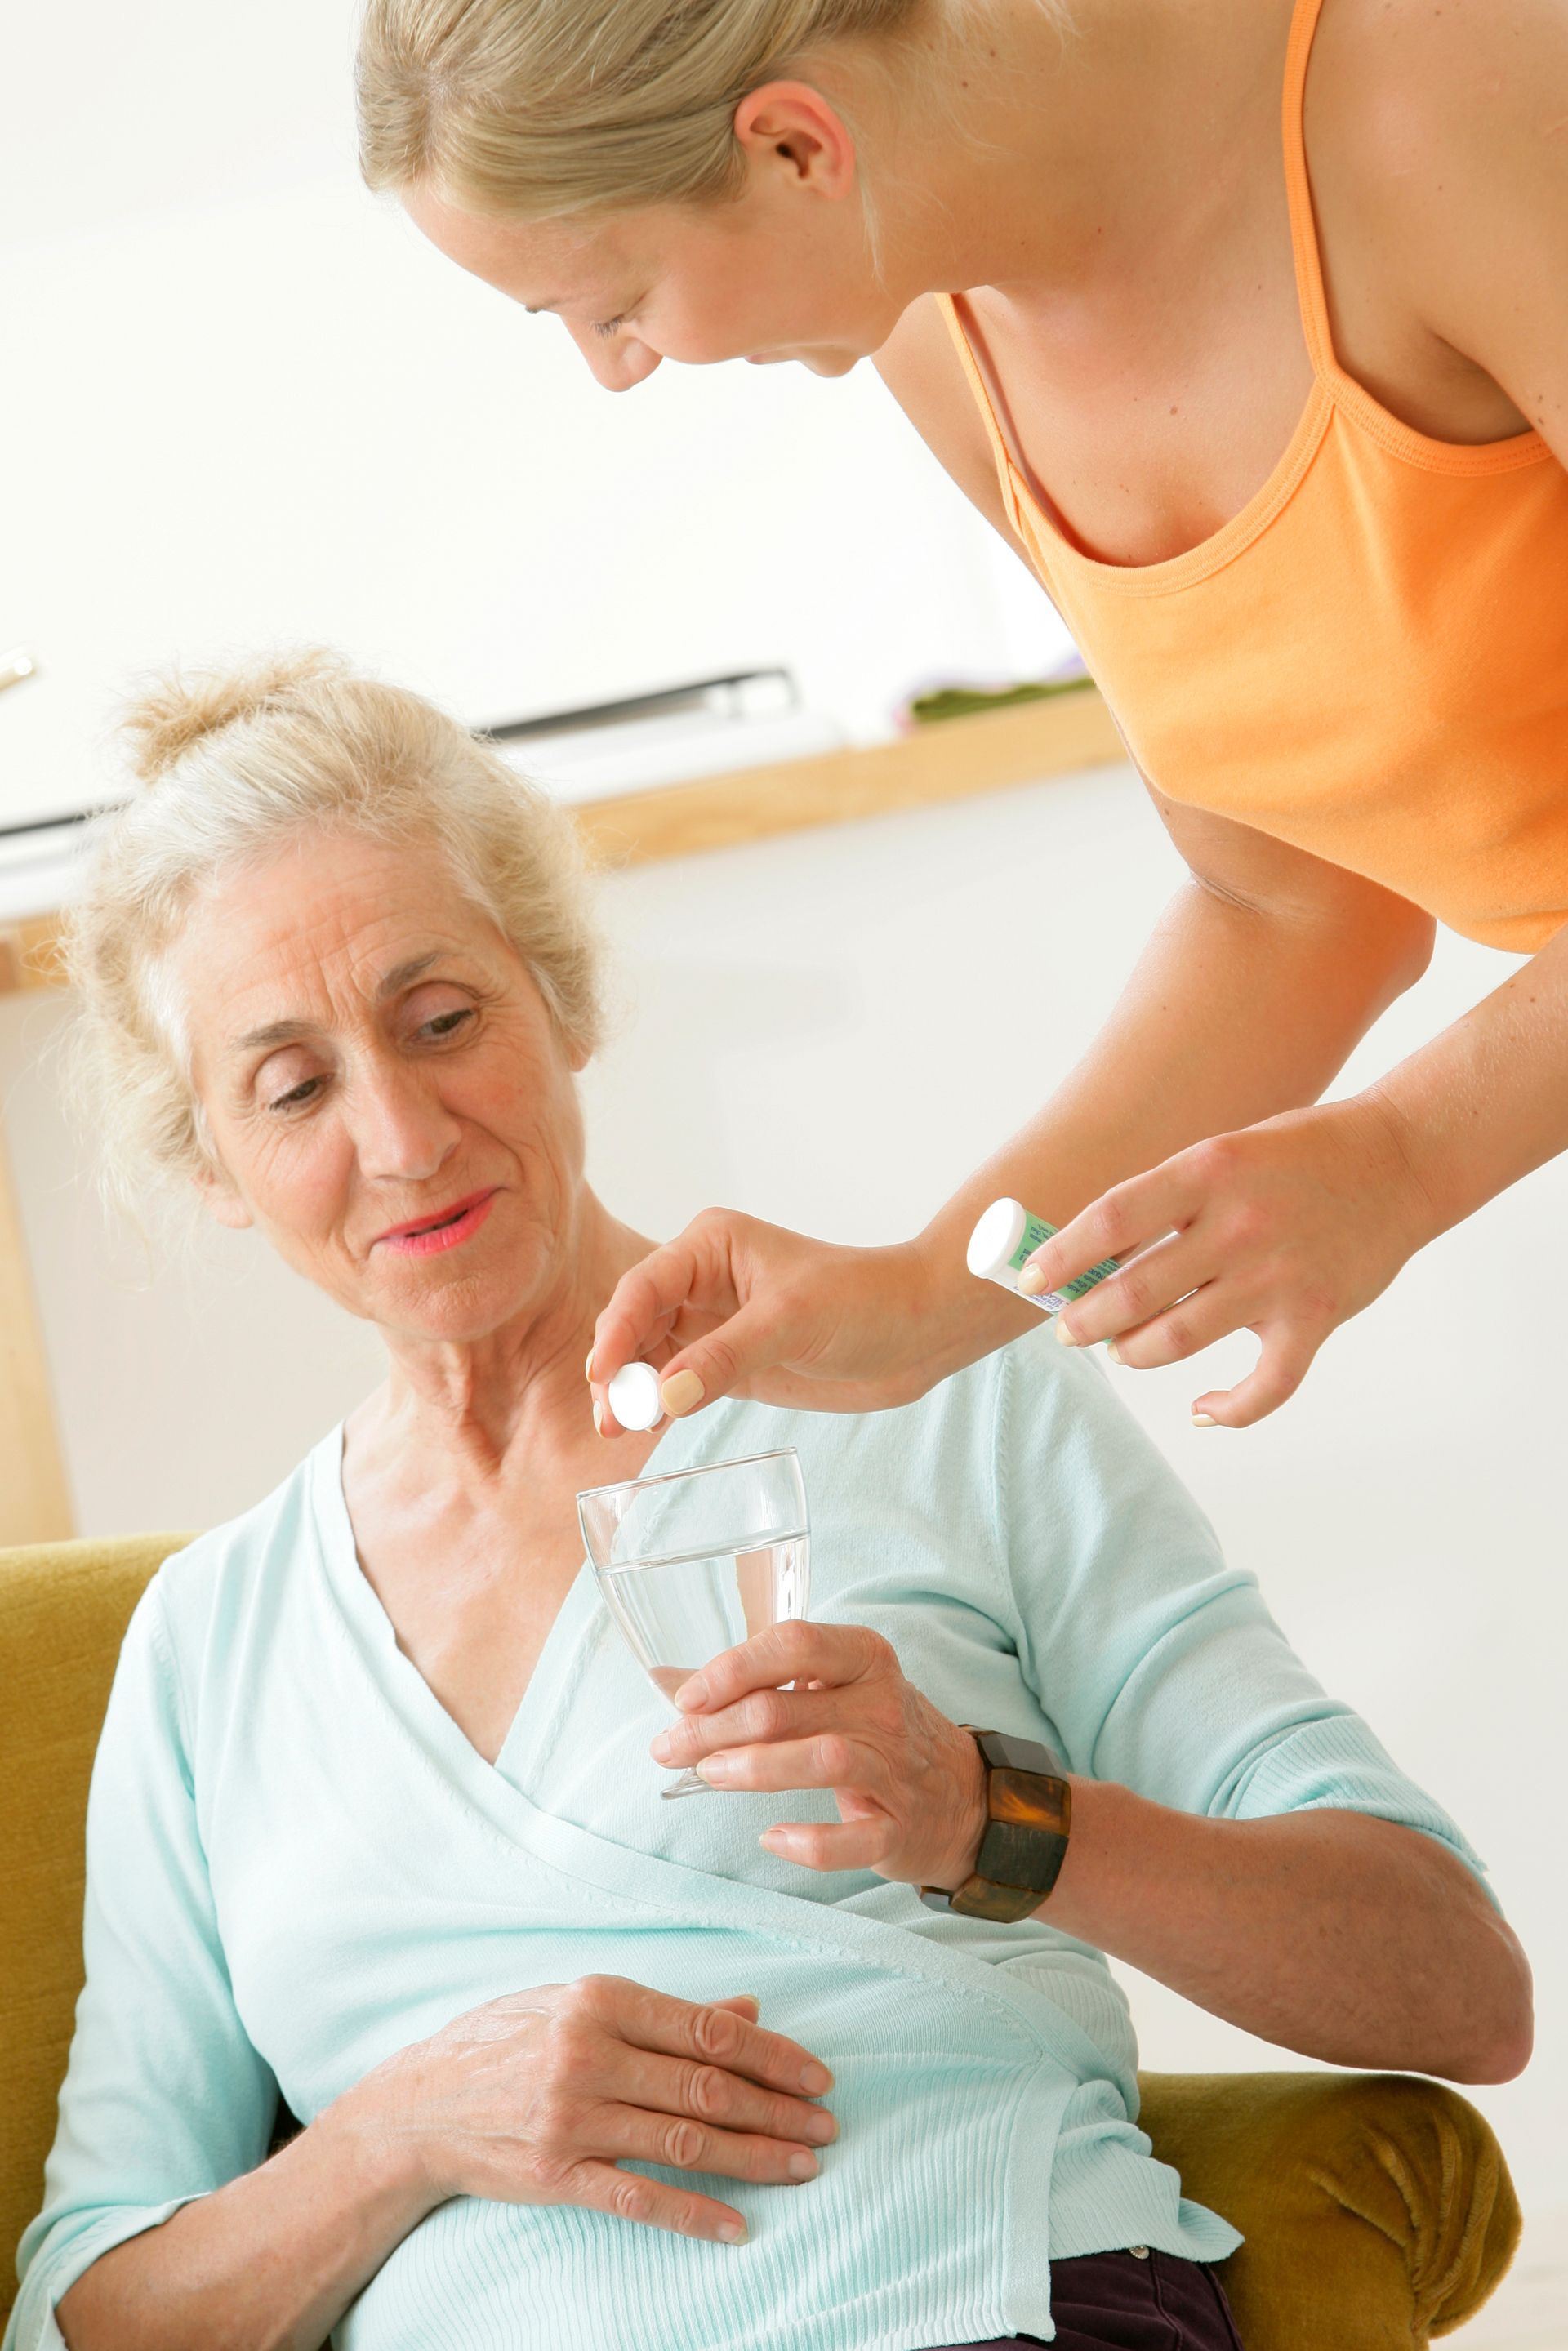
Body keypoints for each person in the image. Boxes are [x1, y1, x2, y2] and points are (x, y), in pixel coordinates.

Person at [9, 652, 1529, 2351]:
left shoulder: (942, 1397)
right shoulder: (212, 1644)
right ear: (214, 1165)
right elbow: (87, 2309)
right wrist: (396, 2133)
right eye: (291, 1089)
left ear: (558, 998)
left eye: (443, 1022)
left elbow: (1452, 1981)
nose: (402, 1134)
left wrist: (985, 1817)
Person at [354, 0, 1568, 1434]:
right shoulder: (939, 334)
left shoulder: (1442, 96)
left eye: (611, 304)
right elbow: (1293, 907)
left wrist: (1411, 1158)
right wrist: (931, 1297)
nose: (615, 371)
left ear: (795, 146)